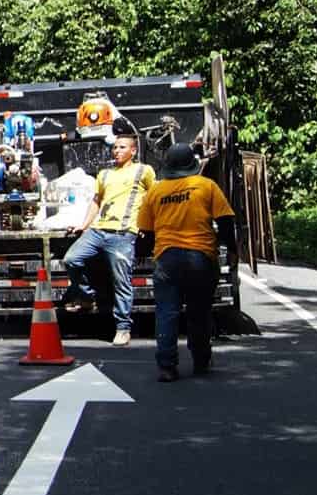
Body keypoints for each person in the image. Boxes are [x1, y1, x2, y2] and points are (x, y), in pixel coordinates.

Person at [136, 143, 236, 382]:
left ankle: (167, 366)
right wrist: (231, 250)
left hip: (167, 258)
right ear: (192, 164)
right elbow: (225, 221)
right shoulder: (206, 186)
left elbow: (145, 233)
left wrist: (143, 256)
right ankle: (201, 360)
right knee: (199, 313)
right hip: (200, 258)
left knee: (167, 313)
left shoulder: (156, 192)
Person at [63, 133, 155, 346]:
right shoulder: (104, 174)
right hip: (98, 231)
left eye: (122, 147)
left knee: (121, 282)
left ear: (133, 151)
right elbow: (96, 202)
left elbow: (153, 199)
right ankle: (87, 296)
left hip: (123, 234)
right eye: (114, 148)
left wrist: (147, 225)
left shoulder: (143, 171)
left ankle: (123, 328)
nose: (116, 151)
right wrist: (83, 225)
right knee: (71, 260)